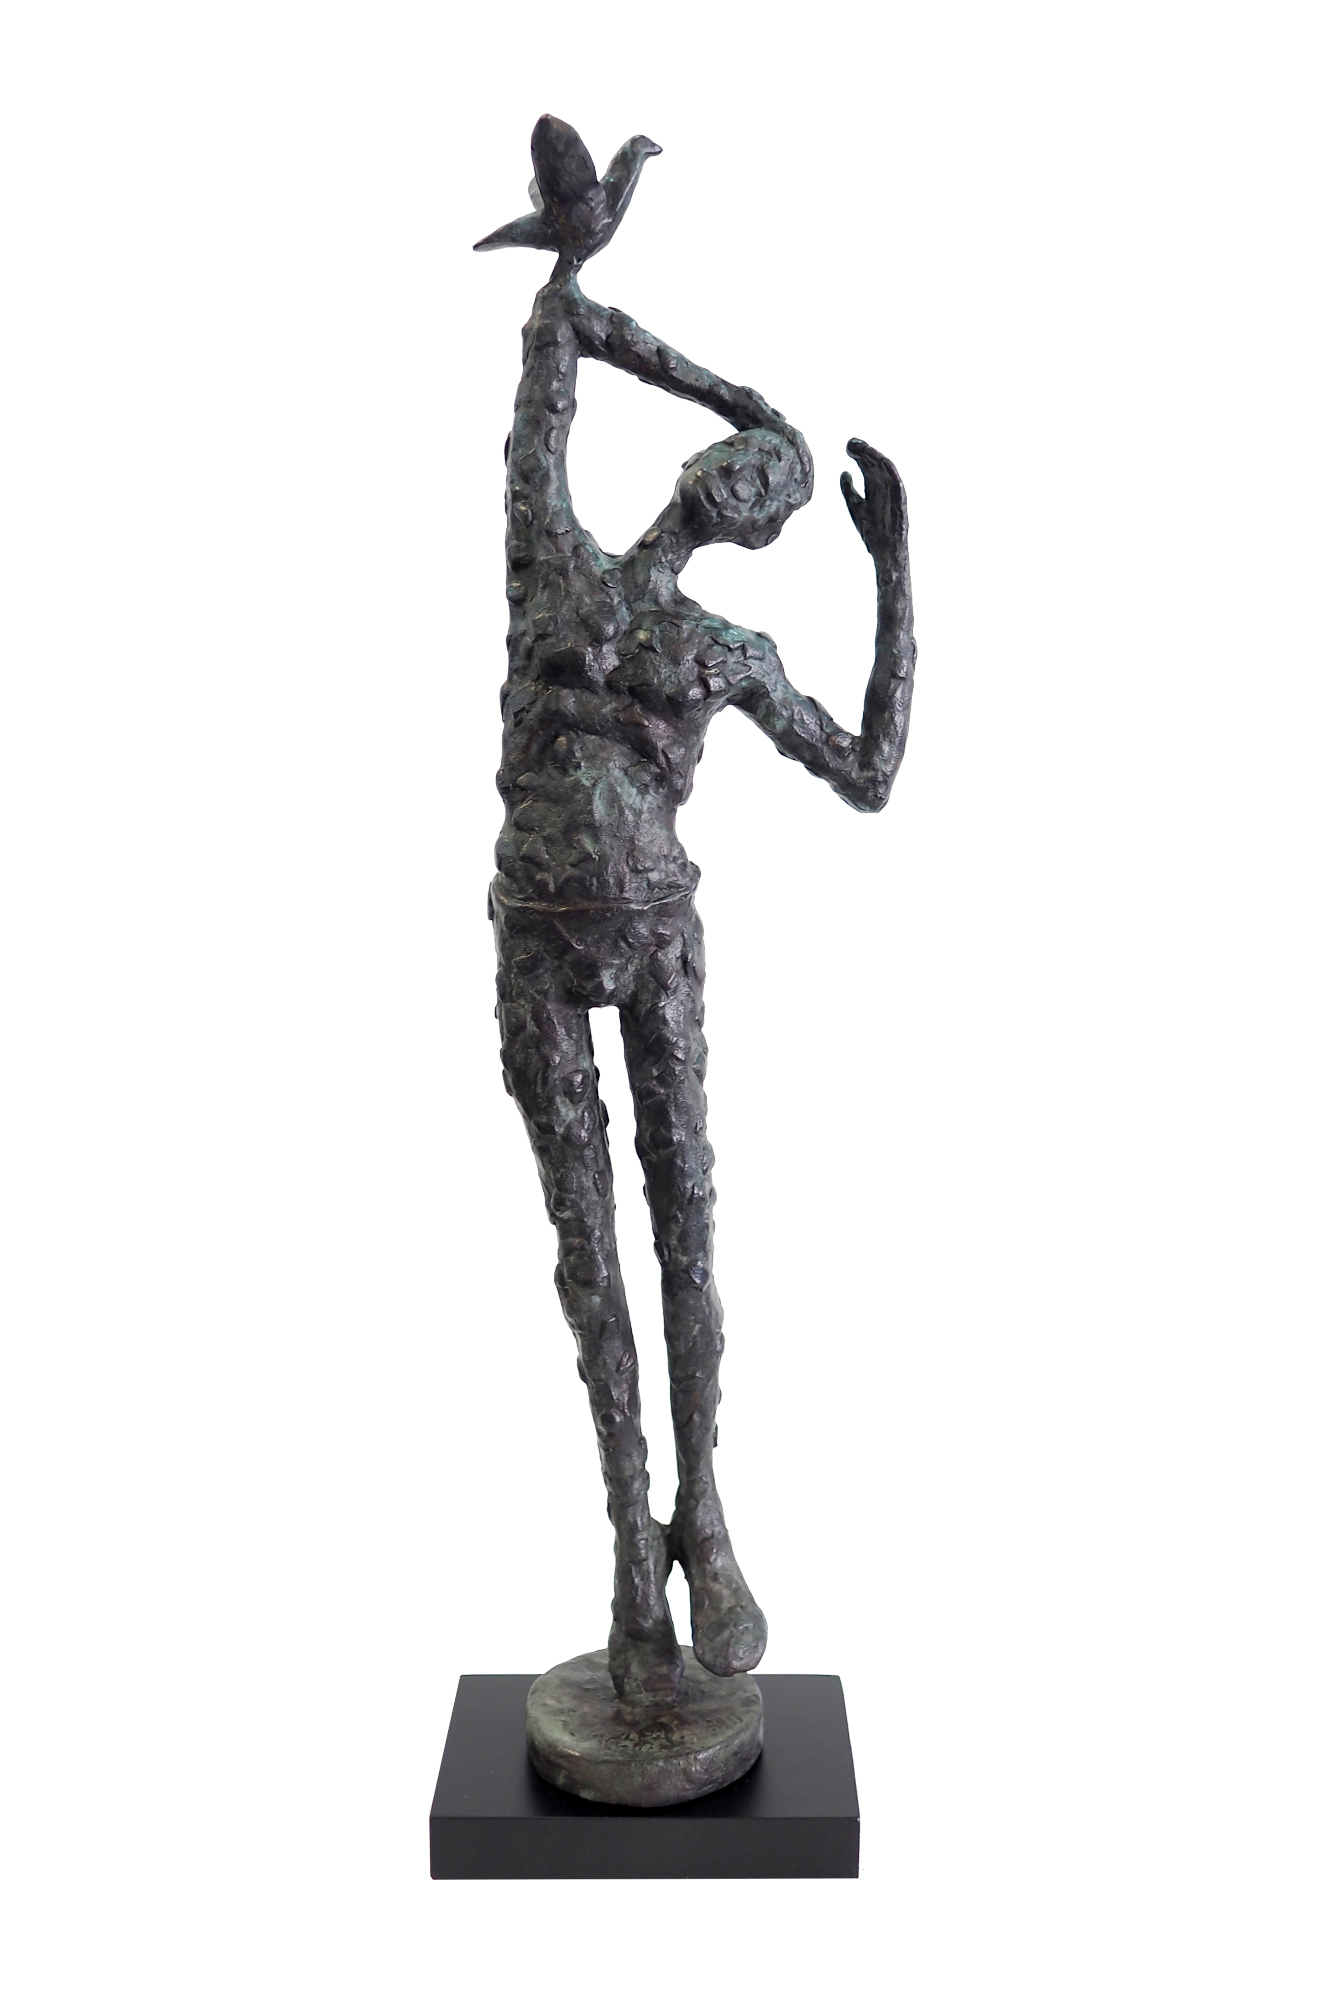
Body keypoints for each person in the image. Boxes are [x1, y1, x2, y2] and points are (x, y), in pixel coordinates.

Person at [483, 128, 916, 1707]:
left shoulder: (726, 652)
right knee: (586, 1253)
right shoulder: (548, 559)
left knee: (684, 1236)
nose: (737, 486)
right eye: (738, 467)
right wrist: (724, 383)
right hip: (537, 931)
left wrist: (896, 576)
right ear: (700, 471)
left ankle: (707, 1516)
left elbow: (866, 773)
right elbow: (552, 343)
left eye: (759, 491)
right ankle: (627, 1552)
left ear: (755, 529)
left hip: (656, 932)